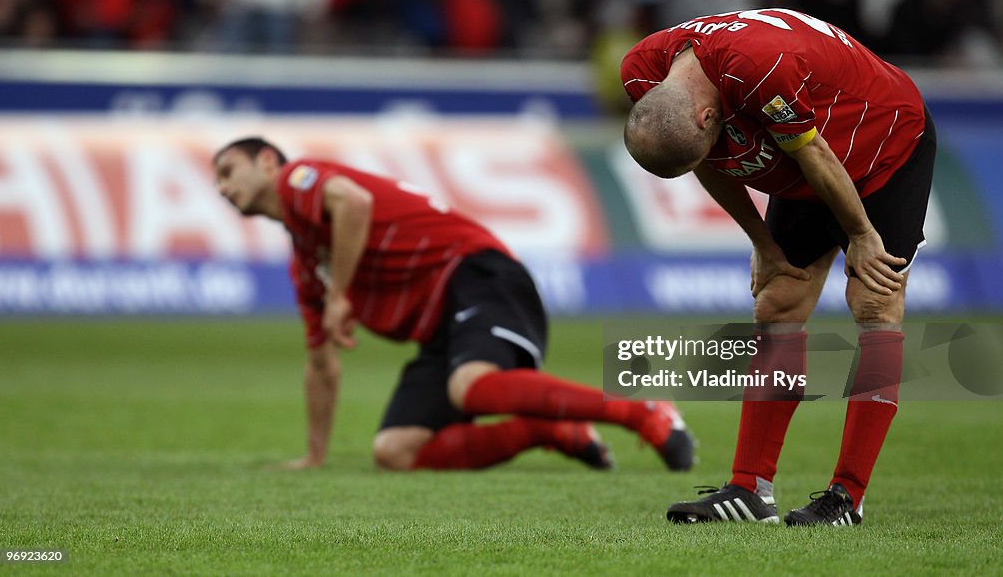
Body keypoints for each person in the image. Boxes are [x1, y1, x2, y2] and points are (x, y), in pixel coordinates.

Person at [621, 8, 935, 525]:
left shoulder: (760, 68)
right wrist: (763, 243)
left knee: (874, 300)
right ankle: (749, 490)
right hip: (802, 153)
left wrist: (860, 236)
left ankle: (846, 497)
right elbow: (711, 159)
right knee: (779, 299)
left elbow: (815, 154)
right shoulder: (643, 71)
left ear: (705, 117)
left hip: (884, 145)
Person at [213, 137, 695, 472]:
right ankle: (548, 431)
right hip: (443, 328)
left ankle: (644, 408)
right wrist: (314, 454)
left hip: (476, 273)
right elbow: (321, 363)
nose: (221, 186)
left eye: (229, 170)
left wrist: (340, 294)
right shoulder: (305, 261)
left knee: (472, 386)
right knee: (395, 452)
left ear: (269, 163)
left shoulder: (300, 176)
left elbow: (353, 203)